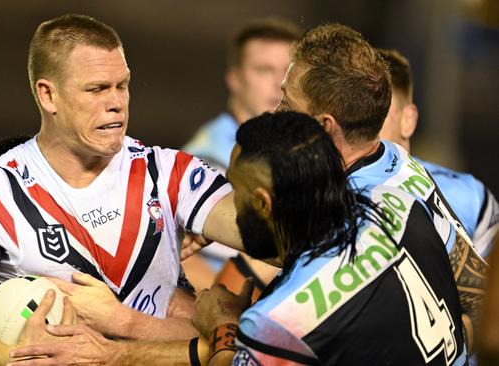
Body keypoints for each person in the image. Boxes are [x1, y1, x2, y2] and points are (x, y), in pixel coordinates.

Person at [0, 14, 243, 365]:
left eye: (122, 86)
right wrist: (19, 360)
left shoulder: (170, 173)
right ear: (48, 95)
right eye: (97, 89)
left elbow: (272, 235)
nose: (117, 102)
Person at [192, 111, 469, 365]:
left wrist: (223, 327)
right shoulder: (397, 200)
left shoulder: (276, 322)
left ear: (264, 204)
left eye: (237, 191)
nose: (232, 204)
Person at [276, 23, 487, 346]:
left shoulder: (359, 216)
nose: (276, 114)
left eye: (288, 105)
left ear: (325, 126)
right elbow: (477, 289)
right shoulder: (394, 159)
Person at [182, 17, 300, 297]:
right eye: (264, 70)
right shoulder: (206, 160)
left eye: (288, 71)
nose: (279, 83)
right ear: (234, 79)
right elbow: (179, 256)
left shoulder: (296, 146)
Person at [377, 48, 498, 259]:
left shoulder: (470, 199)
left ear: (408, 120)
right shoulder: (331, 194)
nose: (363, 124)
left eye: (378, 113)